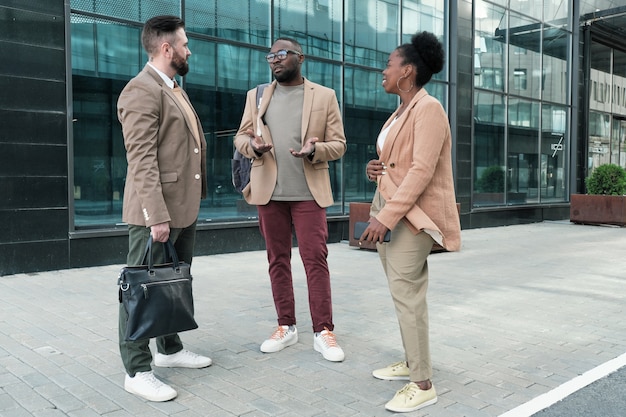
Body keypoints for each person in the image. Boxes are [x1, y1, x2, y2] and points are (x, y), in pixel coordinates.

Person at [358, 31, 461, 413]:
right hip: (390, 208)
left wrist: (385, 218)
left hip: (411, 218)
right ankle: (411, 359)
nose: (383, 70)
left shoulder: (429, 108)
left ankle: (422, 383)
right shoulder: (401, 110)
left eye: (389, 64)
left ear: (408, 71)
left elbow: (421, 171)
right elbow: (398, 163)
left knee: (408, 297)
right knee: (402, 295)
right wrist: (376, 170)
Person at [117, 15, 212, 402]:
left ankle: (169, 350)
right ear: (166, 48)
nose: (189, 50)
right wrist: (156, 215)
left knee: (170, 281)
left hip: (182, 208)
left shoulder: (173, 88)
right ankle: (137, 369)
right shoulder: (141, 89)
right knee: (139, 289)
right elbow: (141, 157)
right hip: (155, 213)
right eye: (185, 44)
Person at [234, 37, 347, 362]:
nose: (274, 60)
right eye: (270, 55)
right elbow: (240, 136)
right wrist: (253, 147)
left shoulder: (325, 96)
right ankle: (286, 325)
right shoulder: (256, 97)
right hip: (269, 193)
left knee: (315, 261)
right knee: (277, 260)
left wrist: (316, 150)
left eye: (281, 54)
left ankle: (323, 330)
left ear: (300, 57)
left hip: (308, 193)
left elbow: (339, 143)